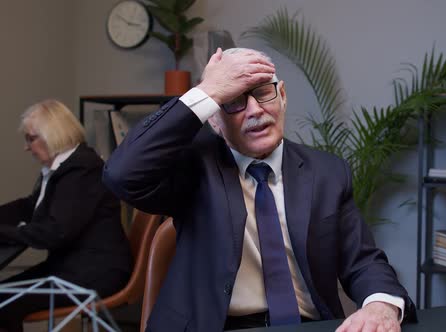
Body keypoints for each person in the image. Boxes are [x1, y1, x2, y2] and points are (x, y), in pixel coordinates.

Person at [103, 47, 416, 332]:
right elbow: (121, 174)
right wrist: (207, 91)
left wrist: (381, 305)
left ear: (282, 95)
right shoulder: (193, 166)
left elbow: (363, 261)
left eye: (262, 92)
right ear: (214, 120)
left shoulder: (327, 172)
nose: (254, 110)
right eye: (234, 101)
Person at [0, 100, 132, 332]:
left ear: (52, 135)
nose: (26, 147)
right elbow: (31, 207)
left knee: (4, 304)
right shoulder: (66, 168)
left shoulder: (80, 171)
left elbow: (54, 232)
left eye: (31, 138)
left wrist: (5, 232)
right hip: (72, 268)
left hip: (93, 274)